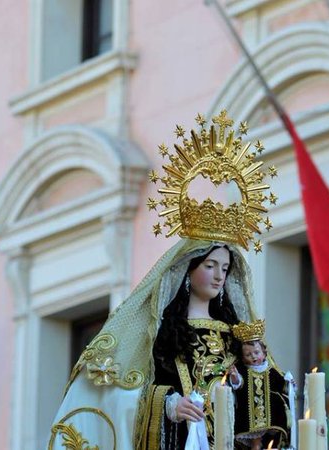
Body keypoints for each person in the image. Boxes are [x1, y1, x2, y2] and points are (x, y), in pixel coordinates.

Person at [48, 111, 285, 450]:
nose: (219, 275)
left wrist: (248, 377)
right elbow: (132, 390)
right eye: (210, 265)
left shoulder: (237, 334)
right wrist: (170, 406)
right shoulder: (160, 332)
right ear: (187, 271)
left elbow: (263, 412)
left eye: (225, 268)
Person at [231, 320, 291, 449]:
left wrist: (289, 384)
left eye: (256, 353)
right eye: (248, 354)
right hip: (250, 413)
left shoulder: (271, 371)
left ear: (264, 353)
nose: (253, 356)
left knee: (273, 436)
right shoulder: (244, 371)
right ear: (243, 358)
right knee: (256, 440)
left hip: (270, 414)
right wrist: (235, 377)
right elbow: (239, 385)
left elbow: (282, 386)